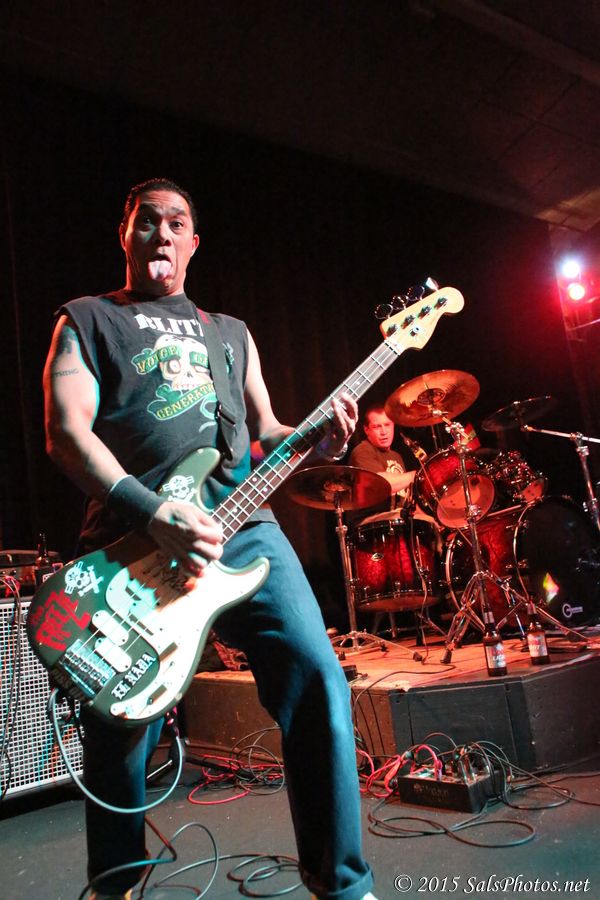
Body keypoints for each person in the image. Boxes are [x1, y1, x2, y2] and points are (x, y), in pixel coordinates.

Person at [42, 178, 377, 900]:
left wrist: (314, 441)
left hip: (246, 529)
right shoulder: (89, 320)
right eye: (147, 221)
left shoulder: (231, 333)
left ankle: (343, 883)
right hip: (133, 540)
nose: (162, 233)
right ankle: (115, 885)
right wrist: (150, 511)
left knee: (318, 677)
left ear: (193, 243)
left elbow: (268, 432)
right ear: (125, 234)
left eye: (177, 223)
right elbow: (66, 432)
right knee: (121, 719)